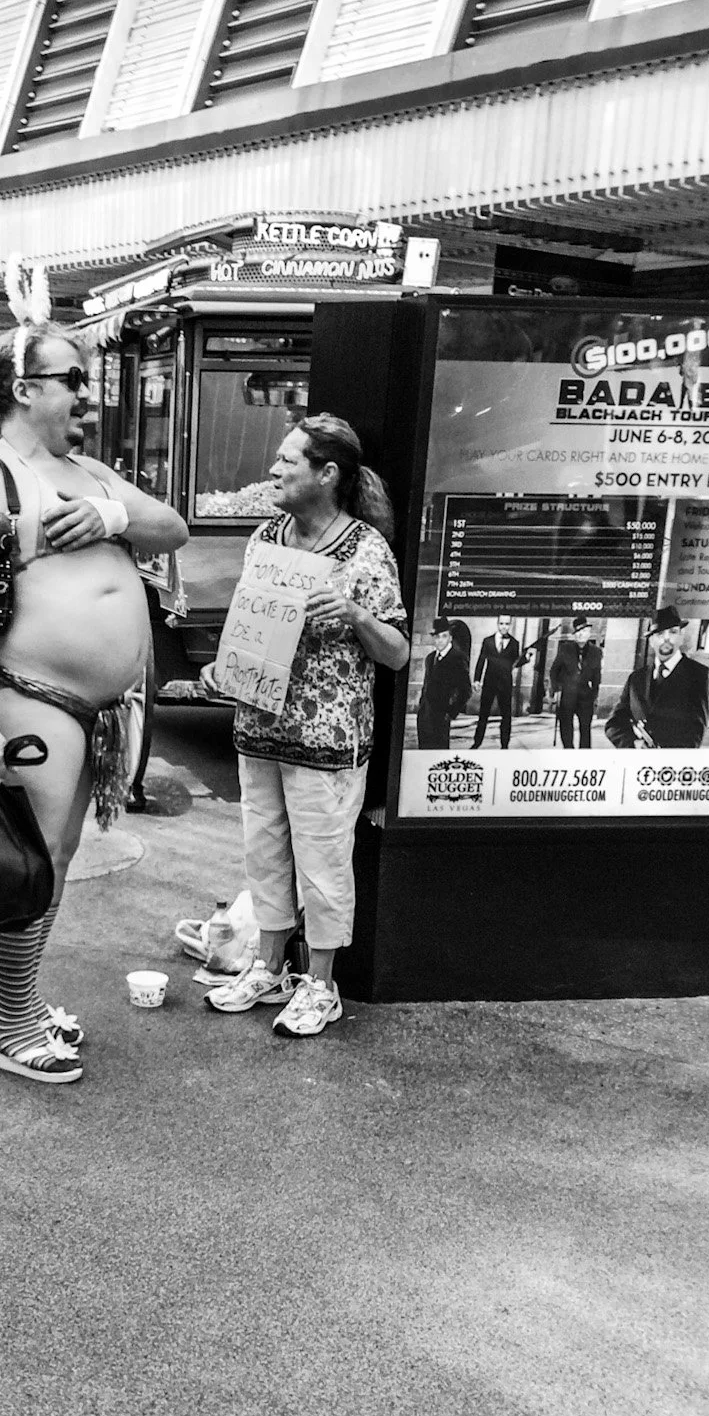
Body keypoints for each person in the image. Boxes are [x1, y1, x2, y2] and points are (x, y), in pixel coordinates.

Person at [0, 286, 189, 1085]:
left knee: (61, 852)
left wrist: (112, 515)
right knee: (30, 860)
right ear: (24, 388)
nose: (86, 392)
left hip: (102, 707)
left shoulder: (88, 471)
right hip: (33, 693)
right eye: (71, 378)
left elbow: (172, 526)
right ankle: (11, 1024)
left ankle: (18, 1002)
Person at [205, 415, 409, 1039]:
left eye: (288, 461)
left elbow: (398, 651)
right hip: (259, 725)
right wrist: (224, 666)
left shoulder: (363, 549)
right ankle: (269, 968)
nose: (273, 469)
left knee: (322, 863)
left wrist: (353, 614)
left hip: (327, 740)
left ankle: (321, 984)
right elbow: (251, 619)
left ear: (328, 475)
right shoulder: (269, 535)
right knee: (263, 853)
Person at [604, 606, 709, 749]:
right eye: (660, 634)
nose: (666, 639)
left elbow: (695, 734)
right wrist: (633, 744)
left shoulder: (698, 675)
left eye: (673, 632)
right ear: (651, 641)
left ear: (681, 637)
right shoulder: (636, 679)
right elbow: (614, 724)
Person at [471, 613, 529, 748]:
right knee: (483, 714)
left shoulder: (514, 643)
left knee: (506, 716)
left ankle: (504, 745)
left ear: (510, 625)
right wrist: (476, 680)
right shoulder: (488, 641)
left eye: (507, 624)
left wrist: (526, 658)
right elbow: (481, 661)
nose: (504, 627)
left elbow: (515, 663)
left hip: (505, 684)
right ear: (498, 624)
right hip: (489, 682)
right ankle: (477, 742)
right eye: (502, 623)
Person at [414, 616, 471, 747]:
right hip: (424, 716)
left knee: (438, 755)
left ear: (450, 637)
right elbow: (426, 685)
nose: (440, 640)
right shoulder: (430, 658)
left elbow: (466, 690)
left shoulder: (457, 658)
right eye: (437, 637)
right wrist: (421, 706)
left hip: (441, 717)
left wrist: (451, 712)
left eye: (444, 636)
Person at [547, 617, 603, 748]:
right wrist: (556, 690)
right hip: (567, 694)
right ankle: (568, 751)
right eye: (577, 632)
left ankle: (583, 756)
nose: (581, 634)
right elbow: (553, 671)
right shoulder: (565, 649)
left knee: (585, 728)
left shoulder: (596, 652)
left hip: (585, 696)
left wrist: (594, 695)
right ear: (574, 634)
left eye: (584, 631)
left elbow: (597, 676)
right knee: (566, 725)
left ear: (589, 632)